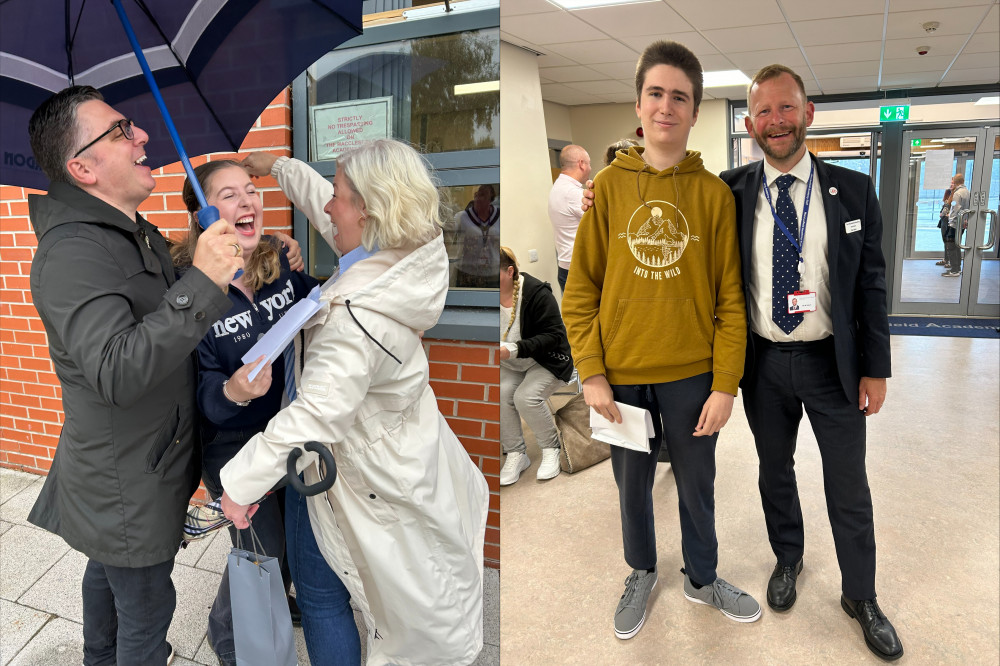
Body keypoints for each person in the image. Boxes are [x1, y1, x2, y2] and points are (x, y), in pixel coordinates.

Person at [218, 139, 490, 665]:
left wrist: (238, 484)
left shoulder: (352, 320)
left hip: (346, 469)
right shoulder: (409, 252)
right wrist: (278, 168)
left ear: (369, 210)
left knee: (322, 599)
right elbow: (330, 208)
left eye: (339, 196)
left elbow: (315, 414)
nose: (327, 206)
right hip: (397, 450)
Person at [24, 86, 241, 665]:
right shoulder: (73, 254)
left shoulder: (127, 230)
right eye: (121, 130)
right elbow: (116, 370)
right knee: (145, 621)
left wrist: (247, 253)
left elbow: (157, 299)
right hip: (127, 481)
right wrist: (203, 282)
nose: (142, 135)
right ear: (83, 168)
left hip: (141, 464)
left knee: (109, 578)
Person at [561, 40, 758, 642]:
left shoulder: (714, 196)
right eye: (655, 93)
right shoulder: (609, 190)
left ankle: (702, 576)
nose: (666, 107)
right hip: (621, 375)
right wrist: (591, 374)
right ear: (639, 103)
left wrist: (726, 384)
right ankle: (641, 572)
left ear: (696, 111)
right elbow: (582, 290)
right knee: (632, 485)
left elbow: (731, 298)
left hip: (693, 374)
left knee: (699, 485)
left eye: (679, 97)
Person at [719, 64, 902, 661]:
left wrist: (876, 367)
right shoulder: (729, 191)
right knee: (775, 470)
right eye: (764, 112)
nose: (776, 121)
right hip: (763, 363)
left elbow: (871, 284)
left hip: (834, 364)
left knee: (848, 482)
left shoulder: (851, 190)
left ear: (808, 114)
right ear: (750, 124)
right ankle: (788, 558)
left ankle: (861, 594)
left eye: (786, 108)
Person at [171, 159, 321, 666]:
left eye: (251, 191)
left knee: (289, 539)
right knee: (261, 546)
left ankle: (277, 592)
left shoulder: (278, 258)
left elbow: (318, 299)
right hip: (229, 443)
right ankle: (229, 638)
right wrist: (234, 391)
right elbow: (202, 392)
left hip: (286, 427)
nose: (248, 202)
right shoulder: (189, 290)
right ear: (204, 215)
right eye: (229, 195)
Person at [499, 246, 574, 485]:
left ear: (510, 272)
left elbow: (554, 336)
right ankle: (516, 453)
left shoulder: (536, 293)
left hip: (546, 359)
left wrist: (514, 349)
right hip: (512, 364)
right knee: (500, 393)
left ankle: (551, 447)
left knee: (525, 397)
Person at [548, 145, 592, 292]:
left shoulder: (557, 187)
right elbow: (603, 222)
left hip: (565, 267)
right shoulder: (572, 193)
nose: (590, 168)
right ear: (581, 164)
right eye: (589, 163)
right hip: (578, 270)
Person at [453, 183, 500, 288]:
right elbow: (450, 240)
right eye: (476, 195)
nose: (478, 198)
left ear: (491, 199)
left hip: (493, 274)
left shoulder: (500, 216)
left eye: (482, 195)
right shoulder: (461, 217)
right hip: (467, 272)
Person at [943, 174, 970, 277]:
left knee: (951, 246)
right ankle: (957, 268)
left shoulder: (957, 194)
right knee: (957, 245)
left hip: (955, 224)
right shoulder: (967, 192)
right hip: (962, 224)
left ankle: (955, 270)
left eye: (953, 181)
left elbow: (955, 210)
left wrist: (950, 222)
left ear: (956, 182)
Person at [935, 188, 953, 269]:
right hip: (944, 220)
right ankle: (946, 259)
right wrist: (942, 214)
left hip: (950, 221)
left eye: (953, 183)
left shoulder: (957, 196)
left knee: (950, 242)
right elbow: (945, 208)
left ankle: (950, 261)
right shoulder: (947, 196)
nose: (951, 185)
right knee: (945, 241)